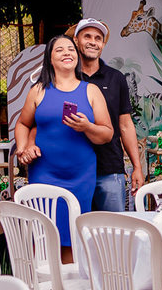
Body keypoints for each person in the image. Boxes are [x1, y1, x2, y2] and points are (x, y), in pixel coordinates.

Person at [14, 35, 113, 261]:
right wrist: (23, 148)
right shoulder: (38, 90)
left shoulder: (92, 91)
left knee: (71, 236)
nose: (67, 53)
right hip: (44, 173)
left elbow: (107, 134)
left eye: (71, 49)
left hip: (81, 175)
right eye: (59, 50)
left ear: (77, 57)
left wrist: (87, 127)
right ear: (50, 58)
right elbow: (23, 124)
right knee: (42, 234)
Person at [74, 18, 145, 211]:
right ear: (76, 40)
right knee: (76, 232)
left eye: (98, 38)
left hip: (109, 169)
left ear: (103, 45)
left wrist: (137, 166)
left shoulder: (116, 78)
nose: (93, 41)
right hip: (73, 170)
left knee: (113, 234)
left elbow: (125, 125)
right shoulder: (65, 77)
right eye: (87, 36)